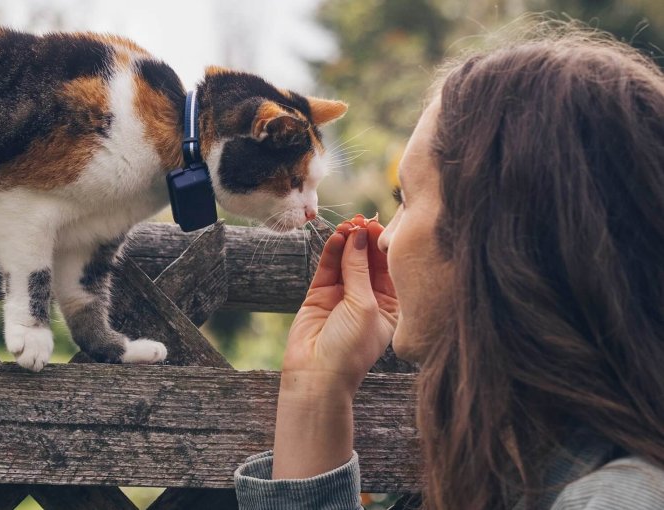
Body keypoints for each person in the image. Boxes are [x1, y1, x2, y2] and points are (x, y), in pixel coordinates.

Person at [234, 27, 664, 510]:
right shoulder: (523, 468)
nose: (388, 236)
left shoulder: (616, 500)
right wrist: (314, 390)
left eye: (405, 199)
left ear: (501, 230)